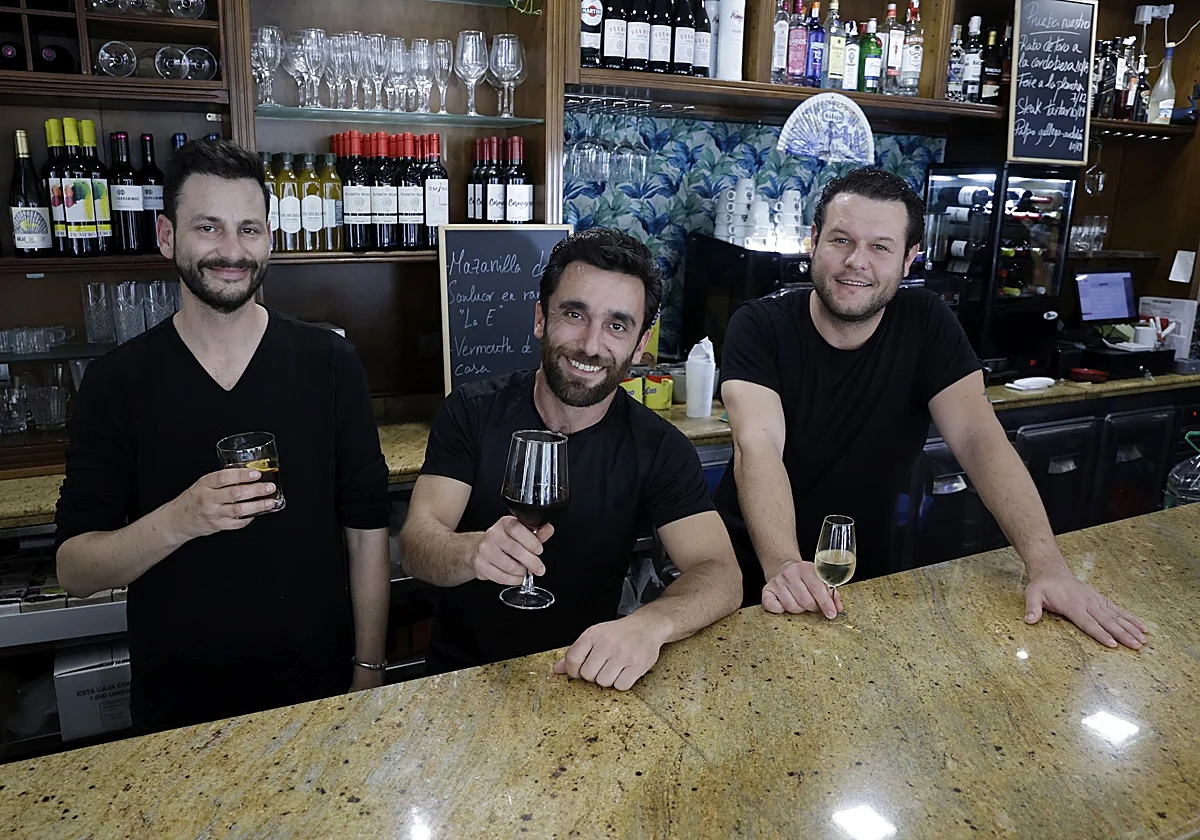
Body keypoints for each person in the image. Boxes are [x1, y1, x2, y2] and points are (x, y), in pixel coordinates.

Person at [716, 168, 1147, 651]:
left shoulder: (925, 322)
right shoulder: (759, 325)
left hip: (864, 574)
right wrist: (783, 564)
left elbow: (979, 438)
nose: (857, 261)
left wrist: (1049, 568)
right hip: (751, 574)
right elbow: (758, 445)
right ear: (813, 241)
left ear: (909, 259)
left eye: (880, 246)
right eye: (841, 240)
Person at [55, 140, 391, 733]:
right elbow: (75, 569)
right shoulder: (117, 382)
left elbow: (366, 533)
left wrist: (368, 669)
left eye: (248, 229)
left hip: (319, 696)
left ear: (270, 238)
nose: (231, 251)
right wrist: (182, 517)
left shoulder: (331, 363)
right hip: (178, 708)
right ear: (167, 237)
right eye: (208, 228)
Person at [399, 228, 742, 690]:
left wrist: (649, 625)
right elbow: (416, 543)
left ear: (640, 345)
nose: (591, 345)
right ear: (541, 318)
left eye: (617, 325)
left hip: (587, 678)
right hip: (461, 676)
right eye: (575, 314)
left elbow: (721, 573)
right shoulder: (472, 411)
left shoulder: (658, 446)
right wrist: (470, 552)